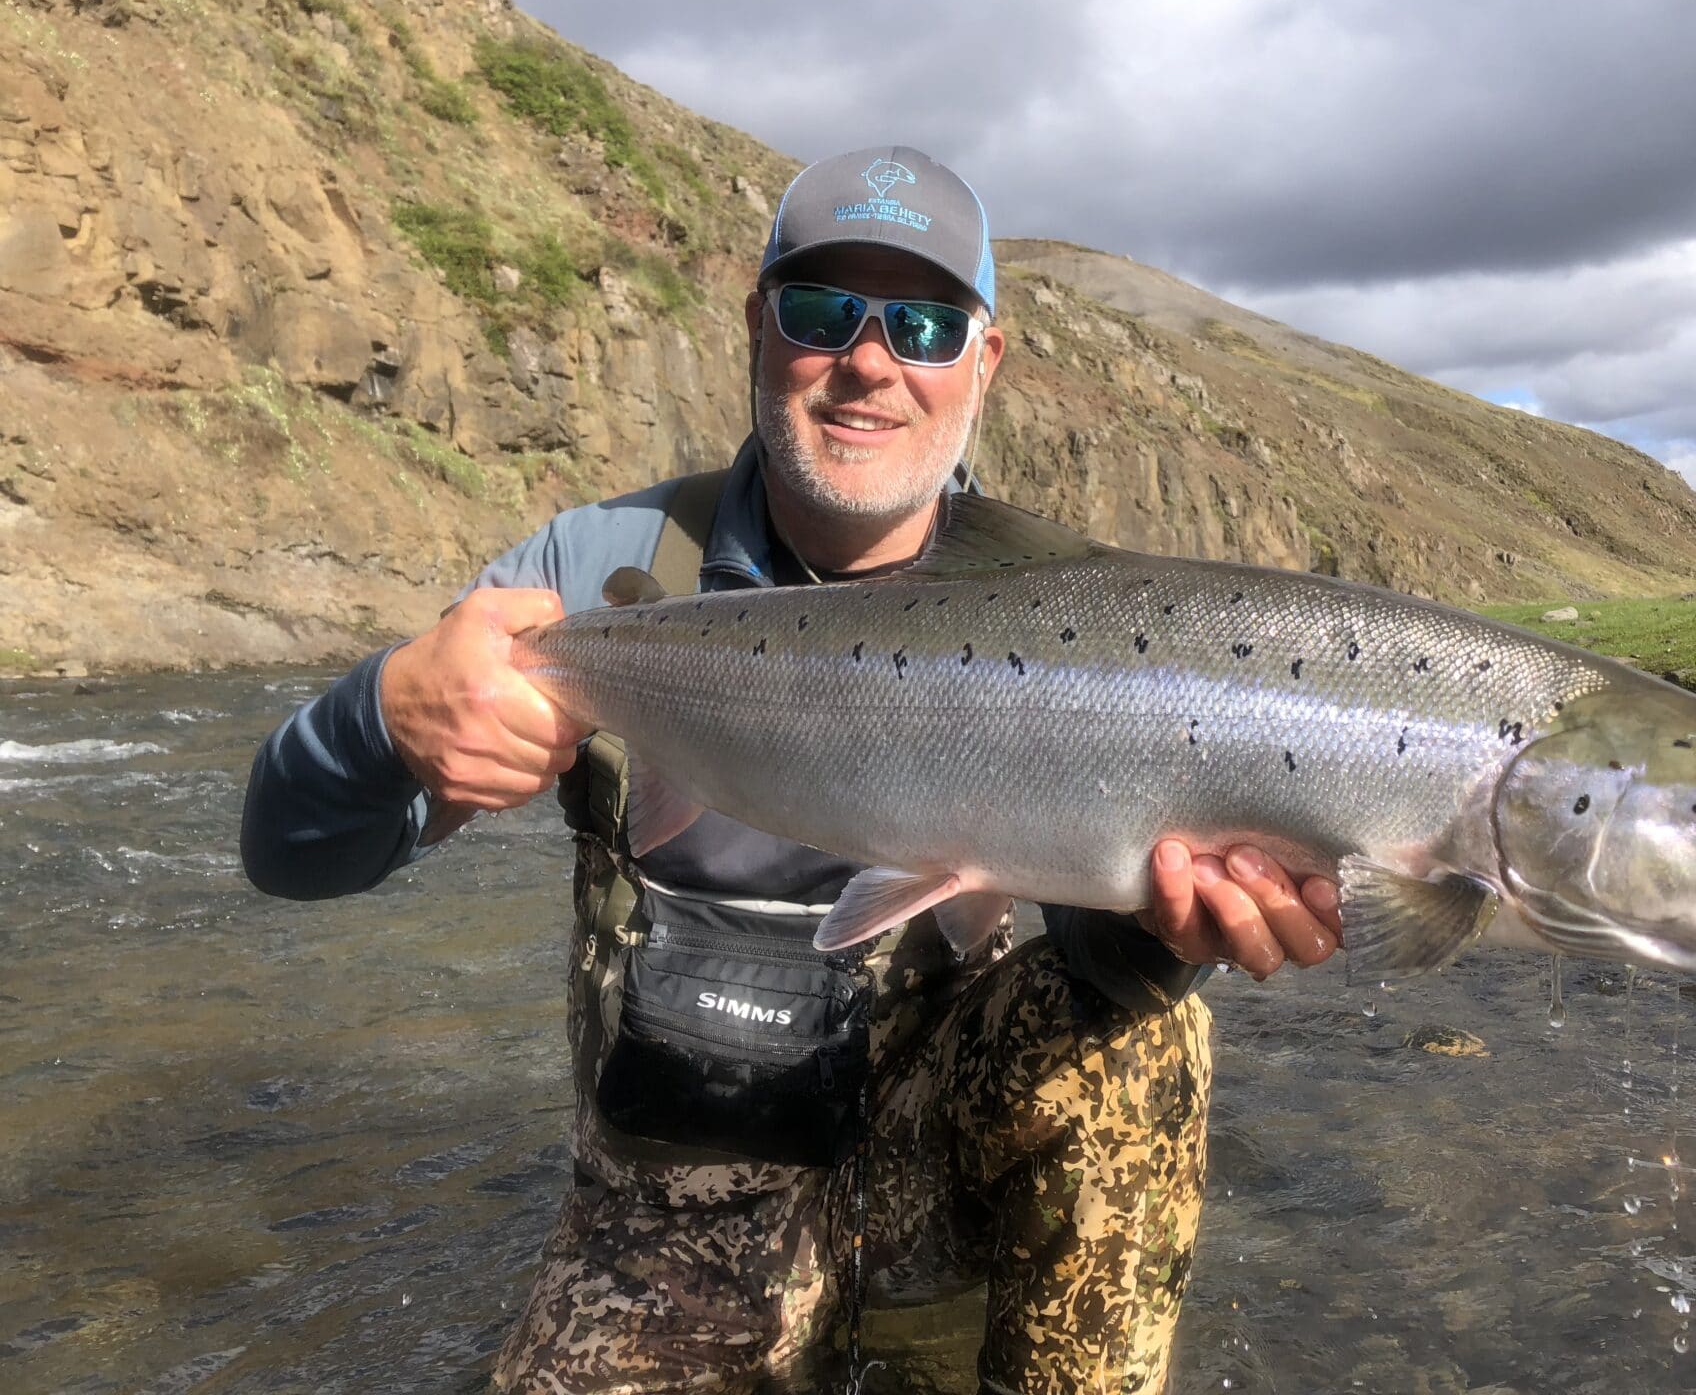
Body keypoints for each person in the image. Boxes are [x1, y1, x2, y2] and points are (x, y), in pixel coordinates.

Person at [240, 146, 1343, 1394]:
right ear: (758, 325)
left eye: (923, 325)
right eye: (824, 313)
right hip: (664, 1222)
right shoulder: (601, 575)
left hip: (929, 1198)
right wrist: (380, 716)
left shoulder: (1064, 611)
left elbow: (1088, 981)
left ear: (983, 361)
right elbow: (289, 856)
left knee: (1149, 1045)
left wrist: (1166, 932)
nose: (868, 361)